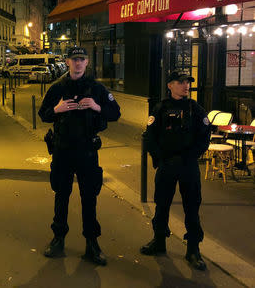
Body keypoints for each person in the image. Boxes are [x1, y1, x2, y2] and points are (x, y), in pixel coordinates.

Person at [38, 47, 121, 266]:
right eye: (74, 59)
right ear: (67, 62)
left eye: (82, 59)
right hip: (63, 150)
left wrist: (97, 106)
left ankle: (92, 243)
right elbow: (43, 114)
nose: (78, 63)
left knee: (89, 197)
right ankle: (58, 239)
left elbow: (115, 113)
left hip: (87, 150)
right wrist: (57, 109)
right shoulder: (57, 88)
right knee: (61, 195)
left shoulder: (96, 88)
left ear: (87, 63)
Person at [140, 70, 211, 271]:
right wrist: (160, 159)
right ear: (170, 85)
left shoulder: (195, 109)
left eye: (187, 82)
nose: (185, 85)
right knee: (162, 205)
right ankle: (159, 241)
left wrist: (191, 156)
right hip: (167, 165)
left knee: (192, 207)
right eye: (180, 82)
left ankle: (193, 249)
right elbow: (150, 137)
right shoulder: (161, 108)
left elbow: (205, 136)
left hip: (188, 165)